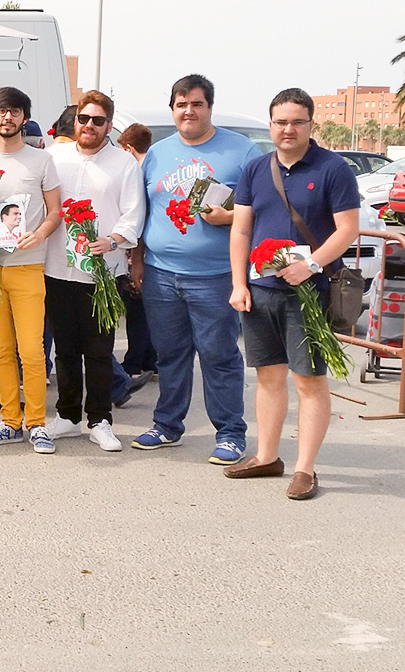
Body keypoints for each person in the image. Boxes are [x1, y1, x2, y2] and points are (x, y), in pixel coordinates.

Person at [225, 88, 359, 500]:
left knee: (309, 381)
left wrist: (312, 264)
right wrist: (238, 283)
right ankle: (267, 456)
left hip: (310, 293)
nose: (288, 129)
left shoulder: (334, 169)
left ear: (310, 125)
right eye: (280, 121)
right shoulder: (255, 169)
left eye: (297, 122)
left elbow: (347, 229)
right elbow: (241, 228)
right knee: (268, 377)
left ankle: (305, 468)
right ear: (270, 124)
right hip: (259, 291)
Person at [131, 74, 262, 464]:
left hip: (216, 274)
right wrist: (138, 260)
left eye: (197, 103)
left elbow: (263, 207)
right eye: (181, 104)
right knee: (170, 355)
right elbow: (144, 211)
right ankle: (167, 425)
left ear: (209, 107)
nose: (189, 111)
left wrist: (230, 216)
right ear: (172, 109)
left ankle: (230, 433)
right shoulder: (157, 153)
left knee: (219, 355)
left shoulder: (242, 152)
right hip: (160, 273)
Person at [43, 91, 146, 452]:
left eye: (98, 120)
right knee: (65, 350)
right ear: (75, 121)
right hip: (57, 267)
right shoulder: (54, 157)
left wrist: (114, 240)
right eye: (84, 118)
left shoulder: (124, 164)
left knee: (99, 351)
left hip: (103, 272)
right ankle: (68, 417)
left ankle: (100, 420)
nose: (89, 126)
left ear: (109, 125)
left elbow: (134, 214)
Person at [0, 87, 62, 455]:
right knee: (2, 351)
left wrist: (37, 234)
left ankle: (36, 423)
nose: (8, 118)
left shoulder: (41, 160)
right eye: (1, 111)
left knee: (32, 351)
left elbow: (55, 211)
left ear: (24, 117)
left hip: (27, 266)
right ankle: (9, 422)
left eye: (15, 112)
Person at [115, 122, 158, 379]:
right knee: (145, 312)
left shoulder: (137, 175)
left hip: (135, 250)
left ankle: (134, 363)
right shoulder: (153, 173)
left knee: (136, 313)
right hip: (151, 251)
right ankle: (151, 361)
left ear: (129, 149)